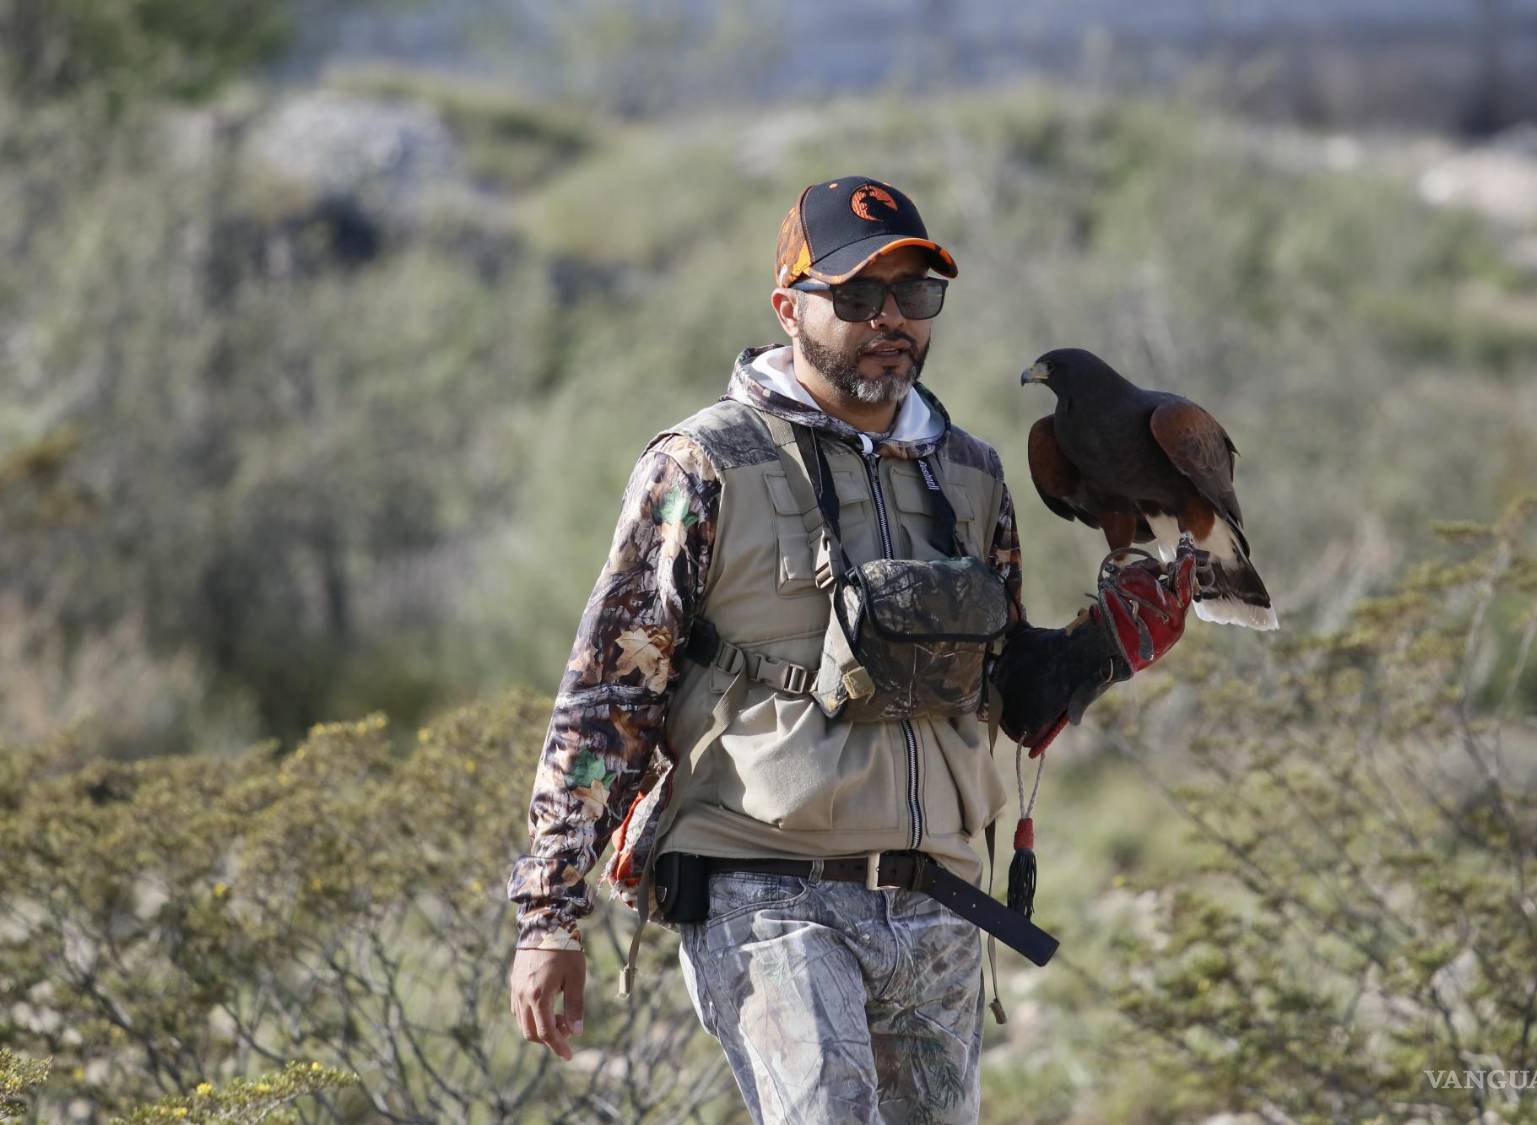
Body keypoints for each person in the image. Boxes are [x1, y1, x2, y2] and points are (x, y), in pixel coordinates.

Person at [507, 175, 1196, 1123]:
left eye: (914, 293)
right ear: (788, 307)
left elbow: (1000, 690)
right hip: (766, 893)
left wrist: (1101, 649)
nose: (891, 318)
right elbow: (606, 694)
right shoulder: (704, 463)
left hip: (939, 902)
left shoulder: (973, 473)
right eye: (859, 293)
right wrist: (549, 915)